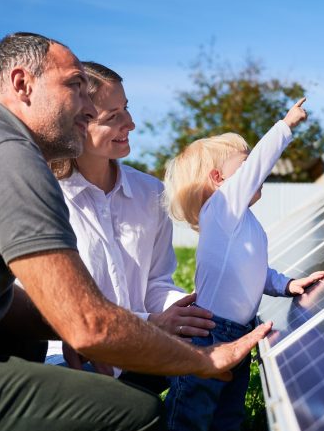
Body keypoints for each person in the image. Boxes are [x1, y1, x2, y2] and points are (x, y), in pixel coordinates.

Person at [0, 32, 271, 431]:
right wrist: (201, 359)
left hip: (70, 348)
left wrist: (171, 319)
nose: (85, 106)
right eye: (74, 87)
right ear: (22, 84)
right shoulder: (13, 160)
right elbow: (84, 324)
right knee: (142, 418)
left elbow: (11, 302)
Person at [152, 97, 324, 431]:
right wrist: (286, 125)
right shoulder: (223, 210)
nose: (254, 171)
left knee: (226, 418)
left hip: (240, 334)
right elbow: (262, 162)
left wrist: (287, 285)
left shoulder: (245, 222)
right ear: (219, 179)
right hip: (210, 334)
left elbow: (256, 272)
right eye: (244, 166)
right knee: (187, 423)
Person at [46, 61, 216, 392]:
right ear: (78, 123)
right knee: (122, 408)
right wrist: (151, 324)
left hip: (142, 351)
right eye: (113, 117)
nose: (131, 124)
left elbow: (156, 282)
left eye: (126, 109)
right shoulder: (47, 197)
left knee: (215, 346)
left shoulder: (150, 193)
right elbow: (51, 306)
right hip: (72, 356)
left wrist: (186, 311)